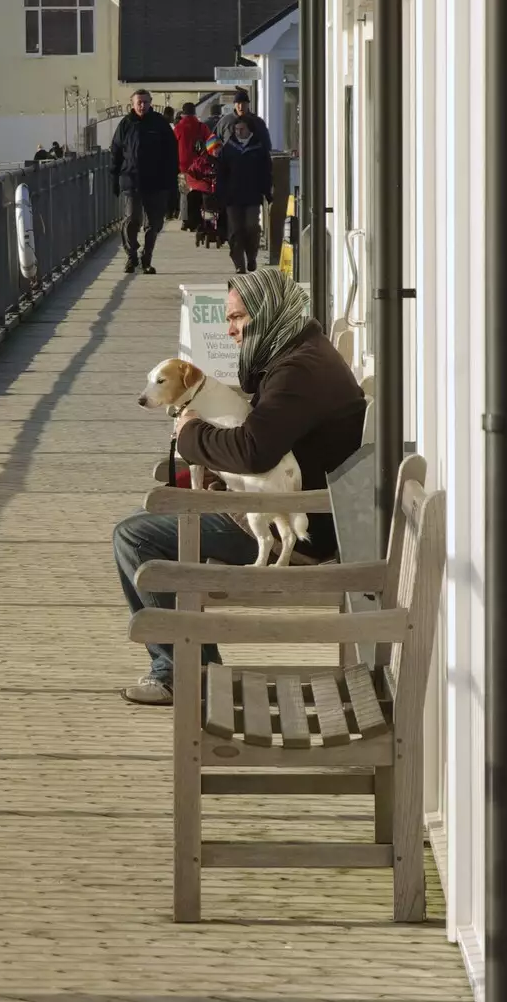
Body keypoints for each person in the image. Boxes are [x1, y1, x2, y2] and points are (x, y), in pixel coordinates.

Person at [113, 269, 366, 705]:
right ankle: (196, 667)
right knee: (149, 524)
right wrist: (217, 470)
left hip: (302, 523)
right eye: (229, 319)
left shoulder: (297, 372)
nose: (230, 330)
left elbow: (253, 451)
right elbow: (261, 446)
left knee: (135, 537)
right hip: (292, 503)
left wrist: (190, 433)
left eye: (238, 318)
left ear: (268, 312)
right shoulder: (301, 354)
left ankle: (183, 672)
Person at [109, 89, 179, 275]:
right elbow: (115, 152)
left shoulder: (160, 124)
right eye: (139, 102)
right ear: (132, 104)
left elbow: (172, 154)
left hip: (156, 181)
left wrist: (172, 183)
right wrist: (114, 178)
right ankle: (131, 256)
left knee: (154, 223)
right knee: (132, 219)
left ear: (150, 103)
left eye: (146, 102)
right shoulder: (125, 124)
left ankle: (146, 258)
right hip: (131, 179)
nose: (142, 106)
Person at [215, 117, 271, 273]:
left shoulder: (258, 148)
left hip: (252, 195)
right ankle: (239, 264)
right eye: (236, 129)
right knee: (236, 230)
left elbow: (266, 172)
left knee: (252, 226)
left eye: (242, 129)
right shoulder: (229, 148)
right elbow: (221, 174)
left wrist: (267, 191)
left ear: (250, 130)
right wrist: (220, 194)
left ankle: (252, 257)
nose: (239, 132)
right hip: (233, 197)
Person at [173, 101, 212, 232]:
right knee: (198, 191)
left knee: (185, 192)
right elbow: (211, 143)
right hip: (199, 167)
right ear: (195, 113)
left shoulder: (178, 128)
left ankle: (185, 220)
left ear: (183, 114)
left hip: (183, 166)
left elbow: (172, 145)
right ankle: (197, 218)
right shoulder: (202, 127)